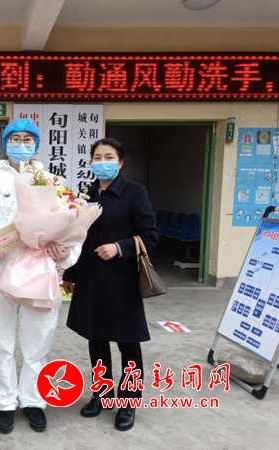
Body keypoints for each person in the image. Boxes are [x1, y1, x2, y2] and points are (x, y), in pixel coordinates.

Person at [0, 118, 81, 434]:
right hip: (1, 268)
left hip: (40, 269)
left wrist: (63, 253)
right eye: (15, 138)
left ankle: (33, 400)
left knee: (38, 338)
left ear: (36, 144)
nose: (21, 144)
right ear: (5, 143)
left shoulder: (51, 182)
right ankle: (4, 402)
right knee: (0, 338)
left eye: (28, 139)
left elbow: (71, 225)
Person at [62, 137, 158, 432]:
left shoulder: (135, 193)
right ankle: (102, 395)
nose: (102, 162)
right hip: (91, 281)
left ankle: (128, 402)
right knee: (96, 340)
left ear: (120, 162)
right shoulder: (86, 194)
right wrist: (70, 274)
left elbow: (151, 235)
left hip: (122, 282)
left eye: (108, 157)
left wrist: (119, 247)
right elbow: (77, 238)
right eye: (97, 157)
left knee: (128, 344)